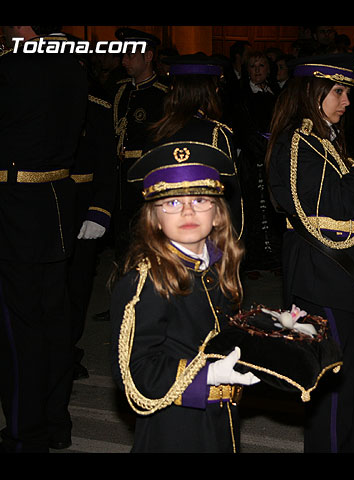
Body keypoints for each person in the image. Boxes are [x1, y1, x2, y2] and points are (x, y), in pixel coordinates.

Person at [266, 53, 354, 453]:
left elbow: (346, 202)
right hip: (324, 273)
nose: (347, 101)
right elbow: (328, 207)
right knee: (333, 383)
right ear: (313, 91)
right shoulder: (296, 139)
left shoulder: (323, 140)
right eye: (338, 91)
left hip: (345, 275)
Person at [109, 141, 259, 453]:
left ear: (218, 215)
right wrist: (209, 374)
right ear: (155, 219)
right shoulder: (146, 280)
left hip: (221, 417)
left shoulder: (218, 265)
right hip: (174, 427)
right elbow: (134, 374)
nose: (188, 210)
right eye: (173, 203)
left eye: (200, 199)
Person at [0, 26, 88, 452]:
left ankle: (24, 431)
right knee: (55, 322)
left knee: (19, 330)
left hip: (15, 205)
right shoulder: (70, 66)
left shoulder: (12, 67)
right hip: (56, 200)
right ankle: (56, 422)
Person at [144, 53, 244, 241]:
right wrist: (234, 242)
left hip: (163, 231)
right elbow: (231, 197)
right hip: (204, 235)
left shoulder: (156, 132)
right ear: (211, 91)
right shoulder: (216, 133)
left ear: (173, 89)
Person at [67, 54, 118, 380]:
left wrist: (99, 210)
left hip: (80, 210)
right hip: (38, 207)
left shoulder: (96, 105)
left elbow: (107, 162)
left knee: (76, 286)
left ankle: (65, 350)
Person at [112, 28, 169, 271]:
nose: (124, 61)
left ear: (148, 56)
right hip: (119, 178)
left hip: (145, 178)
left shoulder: (163, 94)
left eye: (131, 55)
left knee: (145, 241)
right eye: (123, 55)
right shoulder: (120, 90)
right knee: (121, 240)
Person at [232, 50, 283, 275]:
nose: (257, 70)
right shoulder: (240, 95)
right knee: (252, 208)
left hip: (276, 158)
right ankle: (252, 260)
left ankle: (276, 258)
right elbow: (240, 128)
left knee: (276, 208)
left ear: (268, 69)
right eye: (253, 66)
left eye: (261, 65)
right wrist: (259, 146)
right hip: (251, 160)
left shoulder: (278, 93)